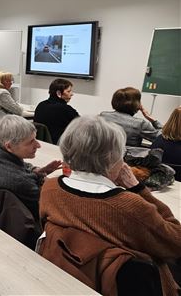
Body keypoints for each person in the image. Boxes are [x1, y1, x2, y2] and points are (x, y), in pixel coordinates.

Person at [39, 115, 181, 295]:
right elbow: (176, 243)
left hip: (74, 278)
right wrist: (137, 188)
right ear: (112, 158)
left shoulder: (50, 188)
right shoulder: (130, 206)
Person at [0, 115, 62, 220]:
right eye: (31, 141)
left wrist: (36, 171)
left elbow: (19, 166)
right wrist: (44, 180)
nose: (38, 145)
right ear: (9, 146)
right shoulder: (19, 182)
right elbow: (47, 206)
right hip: (24, 223)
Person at [34, 78, 79, 144]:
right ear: (58, 93)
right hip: (59, 146)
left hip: (41, 145)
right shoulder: (65, 109)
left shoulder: (41, 105)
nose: (72, 94)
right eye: (68, 91)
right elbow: (81, 125)